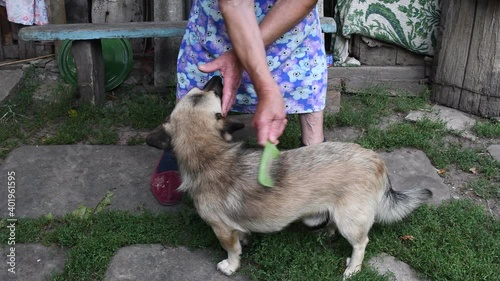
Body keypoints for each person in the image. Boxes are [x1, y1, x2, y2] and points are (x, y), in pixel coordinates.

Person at [151, 0, 327, 205]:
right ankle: (179, 146)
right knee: (201, 76)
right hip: (219, 23)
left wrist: (238, 56)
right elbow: (235, 3)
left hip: (291, 29)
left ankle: (314, 148)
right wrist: (266, 87)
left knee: (303, 80)